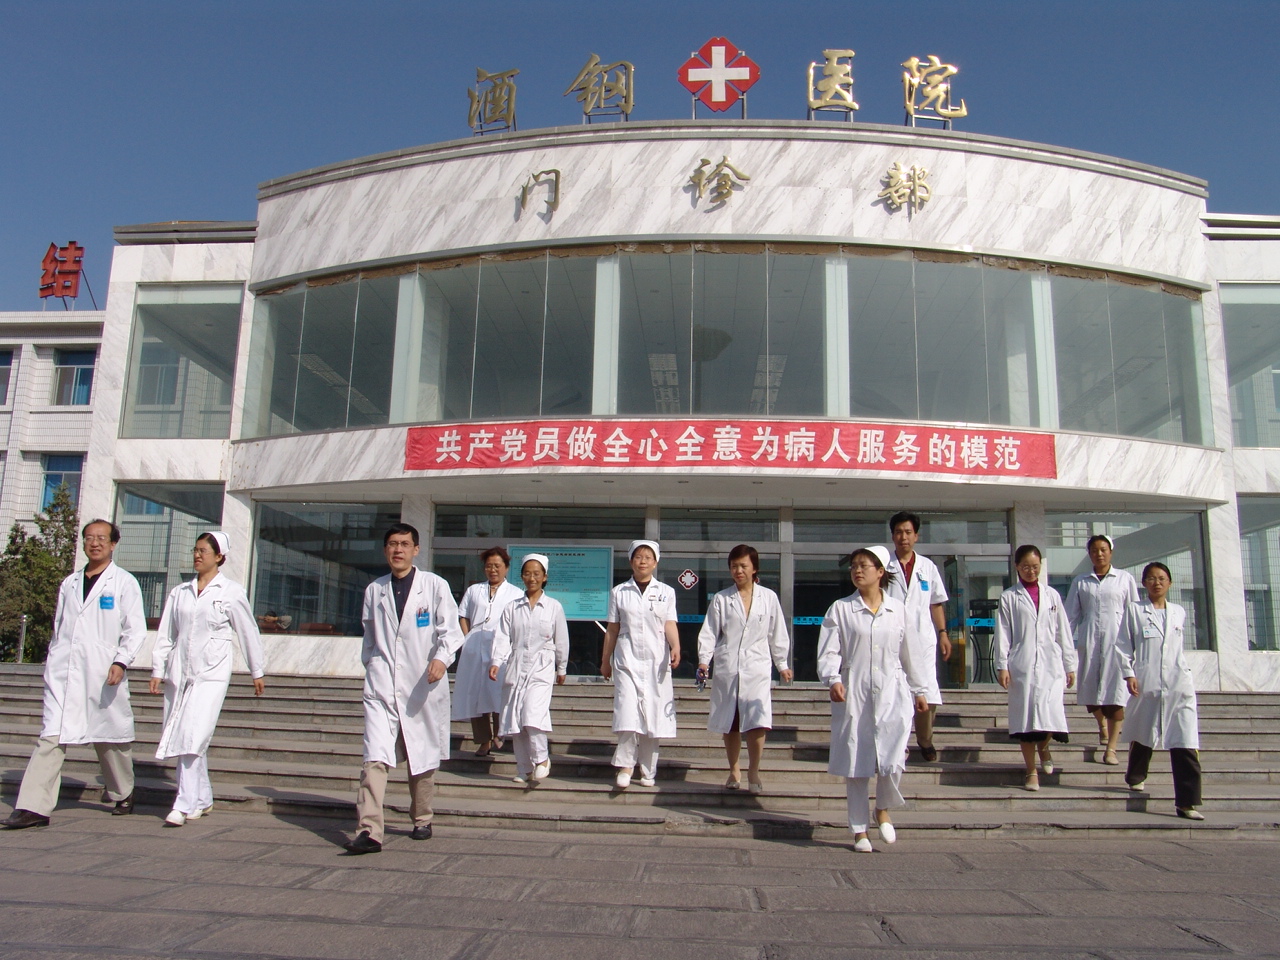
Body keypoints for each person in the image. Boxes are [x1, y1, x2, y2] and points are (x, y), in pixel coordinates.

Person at [2, 520, 146, 829]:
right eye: (89, 538)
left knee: (108, 739)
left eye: (101, 539)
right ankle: (33, 808)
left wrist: (121, 662)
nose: (94, 543)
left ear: (112, 545)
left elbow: (134, 631)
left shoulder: (124, 583)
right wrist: (54, 658)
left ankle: (123, 791)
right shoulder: (69, 583)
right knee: (51, 736)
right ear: (83, 543)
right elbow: (61, 627)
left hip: (102, 671)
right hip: (65, 671)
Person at [345, 523, 464, 854]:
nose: (398, 550)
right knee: (375, 756)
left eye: (404, 544)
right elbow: (370, 635)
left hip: (421, 684)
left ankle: (422, 817)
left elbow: (451, 632)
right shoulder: (375, 590)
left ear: (416, 550)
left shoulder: (434, 586)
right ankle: (370, 829)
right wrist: (372, 665)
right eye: (392, 544)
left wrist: (441, 659)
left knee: (421, 756)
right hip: (382, 686)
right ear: (385, 550)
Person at [149, 532, 266, 827]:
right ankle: (202, 798)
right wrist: (157, 669)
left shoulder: (231, 593)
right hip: (180, 674)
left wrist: (257, 670)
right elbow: (167, 634)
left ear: (219, 557)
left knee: (194, 734)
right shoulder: (180, 593)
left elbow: (248, 632)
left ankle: (183, 802)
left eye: (203, 551)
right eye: (196, 550)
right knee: (183, 736)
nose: (197, 555)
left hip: (211, 675)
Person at [818, 546, 929, 852]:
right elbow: (829, 651)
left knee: (894, 757)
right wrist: (833, 679)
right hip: (855, 691)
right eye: (854, 566)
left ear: (881, 572)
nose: (857, 571)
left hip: (893, 691)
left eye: (864, 566)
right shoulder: (840, 609)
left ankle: (882, 808)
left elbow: (911, 654)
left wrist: (921, 690)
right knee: (856, 762)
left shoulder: (898, 610)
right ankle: (859, 831)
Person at [696, 544, 793, 793]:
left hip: (757, 668)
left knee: (758, 721)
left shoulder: (768, 597)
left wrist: (782, 664)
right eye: (734, 566)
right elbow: (709, 632)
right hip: (729, 668)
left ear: (754, 568)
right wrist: (704, 661)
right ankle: (734, 769)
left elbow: (777, 633)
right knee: (732, 722)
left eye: (743, 566)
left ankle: (754, 771)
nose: (738, 571)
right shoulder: (721, 599)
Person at [1116, 562, 1205, 820]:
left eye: (1162, 578)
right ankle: (1135, 775)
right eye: (1152, 579)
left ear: (1170, 583)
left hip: (1179, 684)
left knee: (1185, 739)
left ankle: (1187, 803)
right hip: (1148, 680)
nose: (1157, 583)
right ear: (1144, 583)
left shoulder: (1179, 612)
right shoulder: (1135, 610)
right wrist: (1129, 673)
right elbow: (1123, 645)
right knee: (1144, 731)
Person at [995, 545, 1077, 791]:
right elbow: (1003, 632)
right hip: (1023, 663)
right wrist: (1002, 665)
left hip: (1051, 663)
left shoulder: (1052, 595)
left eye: (1035, 567)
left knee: (1051, 713)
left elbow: (1063, 631)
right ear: (1017, 567)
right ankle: (1031, 771)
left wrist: (1069, 664)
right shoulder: (1009, 596)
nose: (1031, 571)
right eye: (1026, 567)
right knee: (1025, 720)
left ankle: (1045, 747)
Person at [601, 540, 679, 789]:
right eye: (638, 557)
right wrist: (606, 660)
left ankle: (648, 769)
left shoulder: (666, 592)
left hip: (657, 661)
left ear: (655, 562)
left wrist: (675, 646)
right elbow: (612, 629)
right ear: (631, 561)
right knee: (627, 712)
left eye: (648, 557)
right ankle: (625, 766)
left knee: (652, 716)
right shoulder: (619, 592)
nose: (643, 561)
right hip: (627, 659)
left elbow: (669, 623)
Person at [488, 554, 568, 784]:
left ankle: (542, 759)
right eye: (527, 573)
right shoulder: (512, 607)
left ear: (545, 577)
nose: (531, 578)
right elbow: (503, 637)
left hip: (542, 667)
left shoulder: (553, 607)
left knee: (533, 715)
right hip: (516, 667)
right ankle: (524, 768)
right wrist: (496, 662)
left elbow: (561, 639)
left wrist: (561, 667)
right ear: (522, 576)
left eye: (536, 574)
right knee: (516, 720)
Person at [1064, 534, 1140, 765]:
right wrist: (1063, 643)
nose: (1099, 554)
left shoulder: (1125, 579)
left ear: (1111, 552)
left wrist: (1136, 645)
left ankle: (1112, 749)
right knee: (1091, 694)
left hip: (1117, 644)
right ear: (1089, 554)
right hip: (1089, 642)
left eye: (1103, 549)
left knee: (1116, 696)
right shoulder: (1081, 581)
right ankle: (1102, 726)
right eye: (1095, 550)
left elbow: (1133, 613)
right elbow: (1070, 616)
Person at [884, 512, 951, 762]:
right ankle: (897, 744)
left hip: (922, 638)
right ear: (892, 536)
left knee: (927, 693)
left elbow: (936, 603)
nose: (904, 537)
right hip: (892, 638)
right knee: (894, 694)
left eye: (908, 532)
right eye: (899, 532)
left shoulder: (927, 567)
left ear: (916, 536)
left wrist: (943, 633)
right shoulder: (884, 567)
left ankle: (925, 739)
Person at [455, 547, 523, 757]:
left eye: (497, 566)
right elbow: (463, 615)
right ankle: (483, 740)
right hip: (475, 648)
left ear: (506, 568)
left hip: (501, 650)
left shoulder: (516, 593)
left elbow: (518, 623)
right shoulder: (474, 590)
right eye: (489, 566)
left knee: (498, 692)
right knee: (476, 694)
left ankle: (499, 733)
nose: (493, 570)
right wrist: (467, 637)